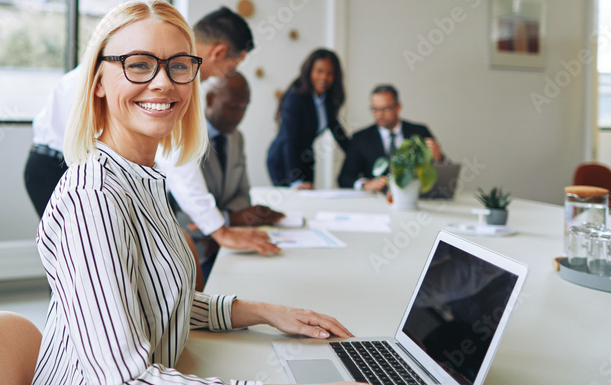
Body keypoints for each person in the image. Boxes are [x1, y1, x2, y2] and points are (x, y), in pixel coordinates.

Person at [21, 0, 419, 385]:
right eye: (138, 65)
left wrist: (263, 312)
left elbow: (155, 301)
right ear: (97, 83)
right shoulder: (94, 200)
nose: (163, 82)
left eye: (178, 67)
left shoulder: (139, 178)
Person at [24, 7, 279, 257]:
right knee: (78, 259)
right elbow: (178, 163)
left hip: (94, 164)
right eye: (234, 64)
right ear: (219, 52)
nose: (161, 82)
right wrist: (219, 230)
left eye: (178, 66)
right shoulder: (89, 189)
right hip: (55, 164)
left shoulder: (176, 81)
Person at [175, 70, 284, 282]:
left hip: (231, 245)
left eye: (244, 109)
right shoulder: (184, 138)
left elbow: (243, 195)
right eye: (232, 107)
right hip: (192, 252)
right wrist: (227, 221)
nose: (238, 116)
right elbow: (179, 211)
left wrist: (228, 224)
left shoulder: (237, 138)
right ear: (210, 99)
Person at [266, 48, 350, 188]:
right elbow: (289, 140)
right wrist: (295, 180)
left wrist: (358, 155)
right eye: (320, 71)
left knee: (308, 201)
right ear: (309, 71)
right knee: (292, 203)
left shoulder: (326, 100)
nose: (324, 78)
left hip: (306, 159)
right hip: (284, 160)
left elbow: (337, 131)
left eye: (330, 73)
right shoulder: (295, 98)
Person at [338, 84, 444, 191]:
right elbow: (344, 178)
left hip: (413, 193)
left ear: (398, 107)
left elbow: (442, 171)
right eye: (375, 109)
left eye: (385, 109)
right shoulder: (360, 138)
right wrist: (364, 185)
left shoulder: (419, 132)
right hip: (376, 199)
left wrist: (438, 157)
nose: (379, 114)